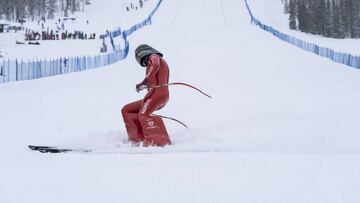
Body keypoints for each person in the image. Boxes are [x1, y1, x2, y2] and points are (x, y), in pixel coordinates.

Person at [121, 44, 171, 147]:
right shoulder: (151, 62)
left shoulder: (154, 57)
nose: (145, 63)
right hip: (153, 94)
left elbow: (155, 65)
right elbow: (152, 78)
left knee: (144, 114)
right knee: (126, 110)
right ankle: (136, 140)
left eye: (144, 61)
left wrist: (144, 81)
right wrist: (144, 85)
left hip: (158, 93)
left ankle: (160, 141)